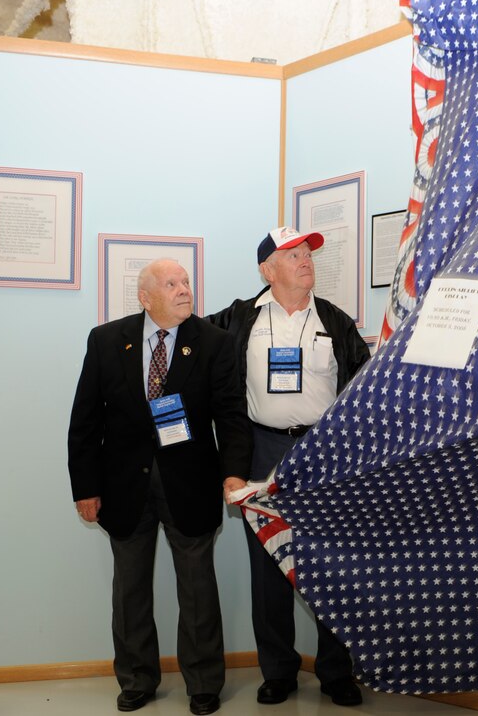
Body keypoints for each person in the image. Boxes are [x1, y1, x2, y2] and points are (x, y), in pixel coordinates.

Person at [68, 259, 251, 715]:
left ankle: (204, 683)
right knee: (128, 588)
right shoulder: (107, 339)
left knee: (197, 588)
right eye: (171, 284)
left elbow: (230, 415)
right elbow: (85, 421)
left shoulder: (214, 343)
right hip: (123, 486)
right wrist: (85, 487)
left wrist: (234, 473)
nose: (184, 289)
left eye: (186, 281)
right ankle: (136, 679)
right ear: (145, 297)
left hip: (189, 484)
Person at [209, 226, 371, 707]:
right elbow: (193, 358)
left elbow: (364, 390)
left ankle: (336, 672)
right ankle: (277, 670)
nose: (305, 261)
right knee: (268, 569)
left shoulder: (336, 321)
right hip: (260, 451)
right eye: (293, 254)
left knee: (333, 566)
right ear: (267, 269)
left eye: (307, 253)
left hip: (323, 456)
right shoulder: (238, 319)